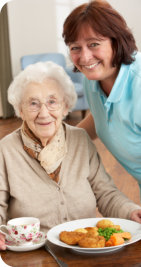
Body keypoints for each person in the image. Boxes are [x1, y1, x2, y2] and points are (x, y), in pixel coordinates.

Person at [0, 61, 141, 251]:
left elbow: (106, 192)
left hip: (86, 250)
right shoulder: (5, 150)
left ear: (65, 107)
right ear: (20, 110)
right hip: (34, 254)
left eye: (52, 102)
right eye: (33, 103)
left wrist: (131, 211)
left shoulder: (80, 139)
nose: (44, 113)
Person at [62, 0, 141, 197]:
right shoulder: (94, 77)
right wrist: (59, 142)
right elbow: (101, 115)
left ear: (117, 41)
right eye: (75, 47)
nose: (85, 57)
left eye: (94, 44)